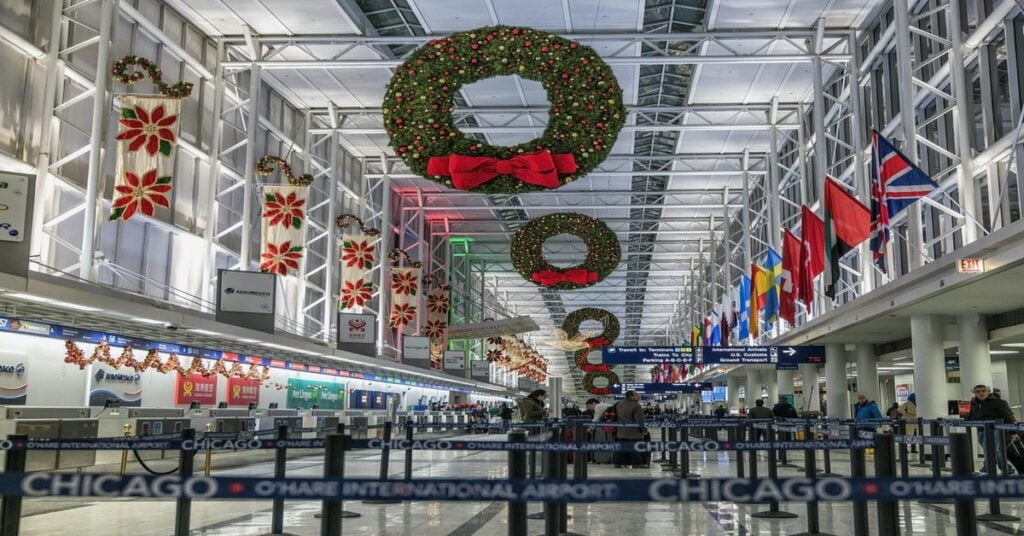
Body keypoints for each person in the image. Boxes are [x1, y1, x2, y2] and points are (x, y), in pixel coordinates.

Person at [968, 384, 1021, 474]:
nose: (981, 393)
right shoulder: (975, 403)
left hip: (995, 429)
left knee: (989, 449)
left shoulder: (999, 402)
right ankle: (1007, 469)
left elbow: (1008, 416)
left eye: (983, 391)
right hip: (981, 429)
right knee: (995, 450)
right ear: (975, 393)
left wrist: (1013, 432)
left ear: (989, 392)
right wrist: (968, 421)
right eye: (978, 391)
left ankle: (986, 470)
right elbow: (973, 414)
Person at [614, 390, 647, 468]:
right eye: (637, 395)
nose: (639, 396)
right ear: (631, 397)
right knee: (635, 448)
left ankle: (618, 463)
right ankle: (637, 464)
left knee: (622, 448)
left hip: (621, 431)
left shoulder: (619, 404)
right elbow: (639, 420)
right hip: (633, 432)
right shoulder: (636, 406)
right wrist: (644, 431)